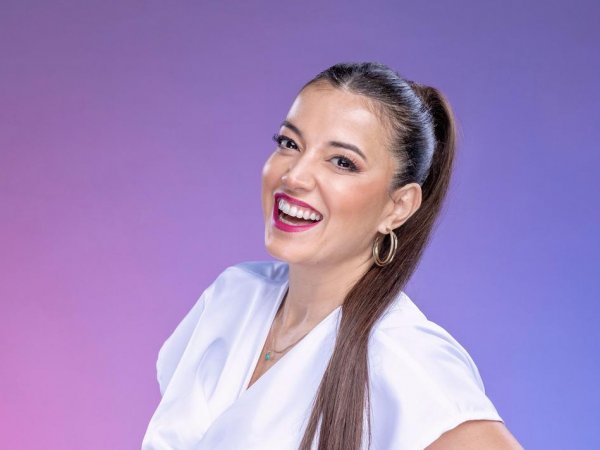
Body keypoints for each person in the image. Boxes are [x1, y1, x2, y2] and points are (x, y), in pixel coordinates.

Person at [142, 62, 523, 449]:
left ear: (398, 207)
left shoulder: (400, 355)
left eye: (342, 162)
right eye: (290, 143)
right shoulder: (232, 297)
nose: (294, 176)